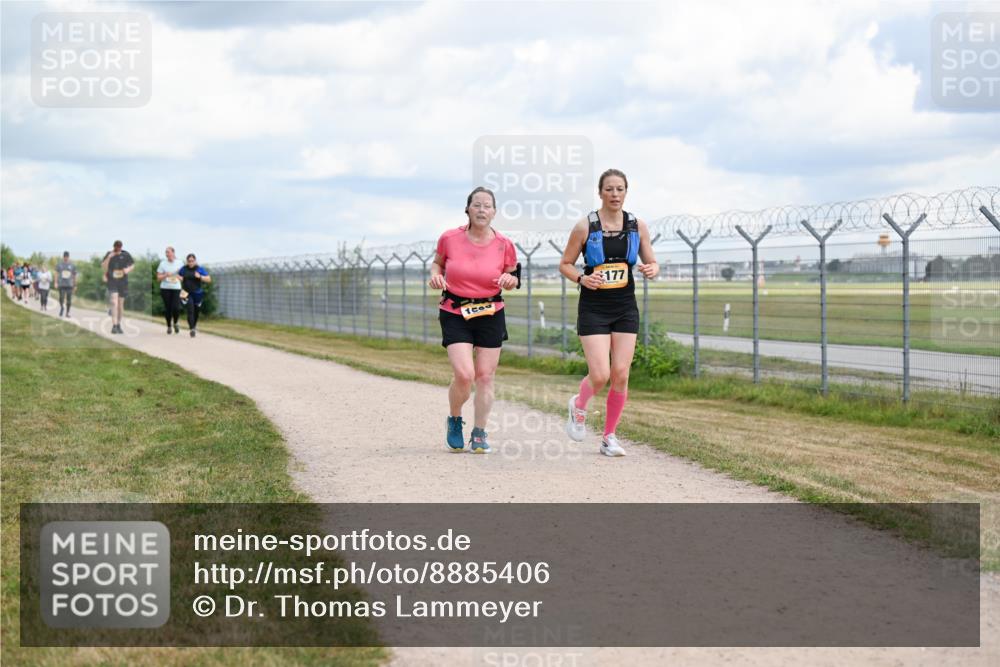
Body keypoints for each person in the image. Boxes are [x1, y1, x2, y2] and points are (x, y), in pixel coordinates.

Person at [559, 169, 659, 457]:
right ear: (600, 192)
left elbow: (651, 262)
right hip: (594, 307)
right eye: (609, 189)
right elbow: (565, 263)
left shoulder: (637, 225)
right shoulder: (585, 226)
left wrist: (652, 269)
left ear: (626, 192)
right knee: (600, 374)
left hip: (625, 306)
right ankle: (578, 406)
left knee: (621, 374)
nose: (615, 194)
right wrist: (581, 278)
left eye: (620, 189)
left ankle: (609, 437)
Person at [429, 186, 519, 454]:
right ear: (467, 209)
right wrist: (436, 275)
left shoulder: (505, 244)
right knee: (464, 375)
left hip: (491, 312)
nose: (482, 209)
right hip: (455, 310)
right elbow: (438, 264)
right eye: (477, 205)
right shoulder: (449, 238)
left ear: (494, 212)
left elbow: (514, 276)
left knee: (485, 376)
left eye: (487, 205)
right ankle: (455, 418)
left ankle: (479, 432)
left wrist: (510, 280)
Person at [101, 240, 134, 334]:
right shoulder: (109, 254)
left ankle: (119, 324)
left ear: (121, 247)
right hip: (112, 280)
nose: (117, 248)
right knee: (114, 302)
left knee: (120, 304)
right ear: (113, 246)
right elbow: (103, 266)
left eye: (119, 247)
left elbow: (132, 265)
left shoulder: (126, 254)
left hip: (123, 282)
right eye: (116, 247)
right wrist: (109, 258)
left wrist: (128, 269)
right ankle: (114, 325)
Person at [178, 253, 211, 337]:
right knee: (190, 310)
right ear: (187, 261)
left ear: (195, 261)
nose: (191, 262)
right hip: (186, 293)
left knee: (196, 312)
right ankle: (192, 329)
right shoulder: (183, 269)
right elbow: (178, 275)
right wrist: (180, 278)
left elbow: (208, 279)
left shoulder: (199, 269)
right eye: (189, 261)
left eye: (192, 261)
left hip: (197, 293)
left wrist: (200, 277)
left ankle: (194, 326)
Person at [156, 246, 184, 334]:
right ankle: (169, 326)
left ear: (173, 253)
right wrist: (165, 275)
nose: (167, 254)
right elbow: (158, 278)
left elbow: (183, 277)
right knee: (168, 308)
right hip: (165, 288)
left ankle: (175, 323)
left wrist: (178, 276)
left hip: (176, 288)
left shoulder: (180, 263)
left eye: (168, 252)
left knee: (176, 307)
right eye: (166, 252)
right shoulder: (162, 264)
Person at [55, 252, 77, 317]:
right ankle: (62, 307)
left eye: (67, 257)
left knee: (69, 300)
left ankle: (67, 313)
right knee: (61, 298)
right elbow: (56, 274)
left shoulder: (72, 265)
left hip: (69, 285)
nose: (66, 258)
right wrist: (55, 282)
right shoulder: (59, 264)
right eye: (65, 257)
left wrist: (75, 285)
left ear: (68, 257)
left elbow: (74, 275)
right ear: (63, 257)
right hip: (61, 284)